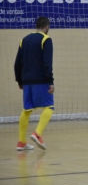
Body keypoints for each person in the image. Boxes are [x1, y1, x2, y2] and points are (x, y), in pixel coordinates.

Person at [14, 16, 55, 151]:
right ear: (47, 27)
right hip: (40, 80)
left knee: (27, 110)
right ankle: (37, 133)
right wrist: (50, 81)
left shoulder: (24, 40)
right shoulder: (46, 39)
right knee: (49, 107)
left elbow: (17, 64)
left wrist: (20, 80)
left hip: (27, 81)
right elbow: (47, 63)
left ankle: (21, 142)